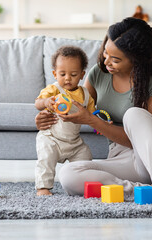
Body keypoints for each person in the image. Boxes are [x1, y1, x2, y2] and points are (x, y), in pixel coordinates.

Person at [35, 17, 152, 207]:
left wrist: (92, 121)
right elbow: (77, 105)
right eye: (105, 53)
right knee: (68, 175)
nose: (106, 61)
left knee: (134, 114)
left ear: (137, 61)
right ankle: (145, 190)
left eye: (115, 59)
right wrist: (49, 117)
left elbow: (139, 139)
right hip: (120, 159)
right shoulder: (97, 74)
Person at [34, 45, 96, 196]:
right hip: (51, 138)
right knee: (46, 158)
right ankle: (43, 187)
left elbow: (93, 115)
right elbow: (37, 103)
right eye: (62, 74)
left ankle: (84, 184)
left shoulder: (86, 95)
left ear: (82, 75)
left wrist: (100, 125)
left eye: (73, 74)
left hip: (74, 142)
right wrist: (46, 102)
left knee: (85, 155)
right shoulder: (54, 90)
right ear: (55, 74)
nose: (67, 78)